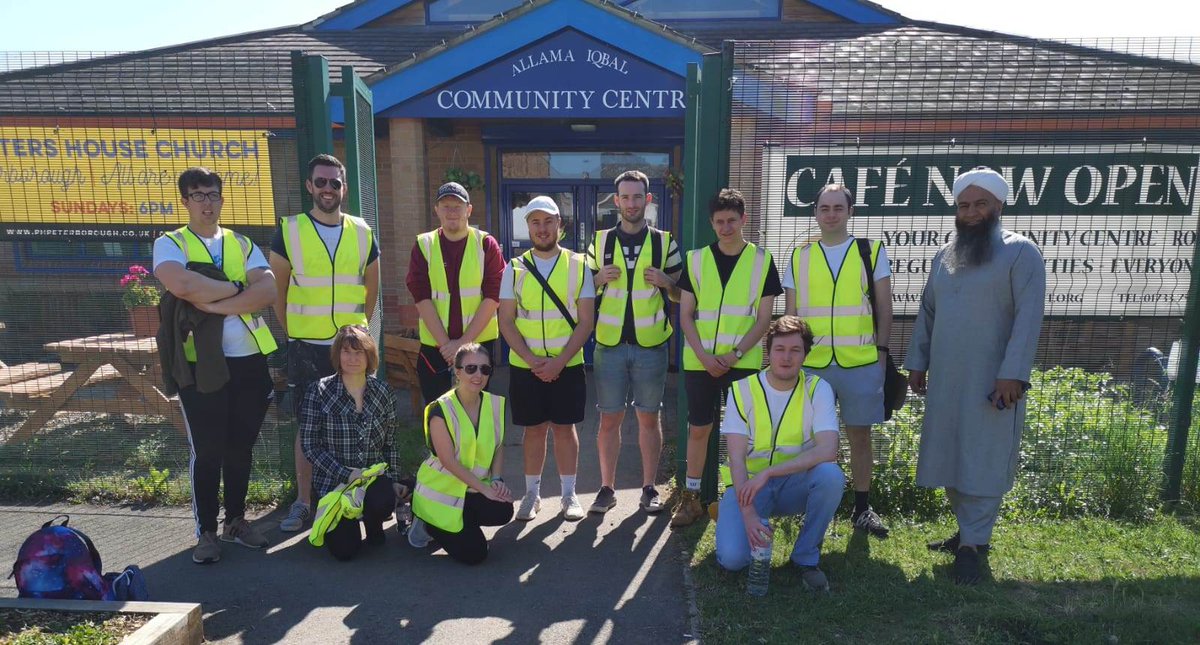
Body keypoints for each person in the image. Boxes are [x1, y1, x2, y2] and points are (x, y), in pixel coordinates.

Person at [906, 166, 1046, 584]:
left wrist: (1013, 375)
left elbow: (1028, 320)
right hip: (947, 378)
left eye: (980, 203)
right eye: (964, 204)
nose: (970, 212)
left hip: (994, 381)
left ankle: (972, 547)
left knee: (983, 456)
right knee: (950, 453)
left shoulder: (1022, 252)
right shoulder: (944, 256)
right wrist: (918, 361)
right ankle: (970, 532)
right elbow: (928, 312)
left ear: (999, 206)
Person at [153, 167, 278, 565]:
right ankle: (206, 531)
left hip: (249, 361)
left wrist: (215, 303)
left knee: (240, 446)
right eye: (199, 195)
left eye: (213, 194)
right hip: (199, 365)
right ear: (185, 201)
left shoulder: (242, 243)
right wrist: (239, 288)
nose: (207, 202)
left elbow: (269, 290)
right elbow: (182, 285)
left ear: (222, 199)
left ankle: (236, 521)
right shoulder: (170, 243)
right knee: (207, 450)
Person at [270, 154, 381, 533]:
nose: (328, 189)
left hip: (349, 345)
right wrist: (292, 332)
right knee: (308, 426)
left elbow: (372, 289)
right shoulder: (290, 230)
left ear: (344, 188)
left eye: (335, 183)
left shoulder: (363, 231)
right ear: (309, 186)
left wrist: (358, 331)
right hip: (306, 345)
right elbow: (278, 292)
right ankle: (304, 502)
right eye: (321, 182)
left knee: (356, 417)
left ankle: (352, 490)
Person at [783, 183, 893, 538]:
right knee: (813, 440)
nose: (830, 214)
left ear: (850, 212)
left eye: (837, 208)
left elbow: (885, 307)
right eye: (824, 208)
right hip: (813, 365)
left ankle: (862, 509)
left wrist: (881, 354)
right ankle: (817, 508)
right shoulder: (799, 255)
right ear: (814, 212)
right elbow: (790, 315)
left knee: (859, 436)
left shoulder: (870, 251)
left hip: (860, 361)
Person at [671, 188, 781, 528]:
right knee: (698, 429)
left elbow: (765, 319)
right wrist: (705, 356)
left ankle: (737, 499)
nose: (726, 227)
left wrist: (733, 355)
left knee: (742, 435)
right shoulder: (695, 259)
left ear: (744, 219)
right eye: (719, 221)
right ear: (712, 223)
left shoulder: (762, 261)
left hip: (742, 363)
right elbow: (686, 314)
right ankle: (691, 500)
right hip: (700, 362)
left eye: (732, 220)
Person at [714, 316, 843, 592]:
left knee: (831, 476)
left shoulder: (817, 389)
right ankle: (751, 525)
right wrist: (747, 513)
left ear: (805, 354)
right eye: (780, 349)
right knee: (733, 559)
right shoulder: (742, 389)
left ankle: (805, 557)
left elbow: (829, 449)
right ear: (768, 351)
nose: (786, 357)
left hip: (793, 484)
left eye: (795, 350)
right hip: (748, 488)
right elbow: (735, 458)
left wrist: (770, 472)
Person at [586, 170, 682, 517]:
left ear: (648, 199)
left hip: (651, 346)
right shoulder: (600, 242)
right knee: (608, 419)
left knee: (648, 417)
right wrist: (596, 279)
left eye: (637, 197)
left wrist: (667, 281)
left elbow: (681, 294)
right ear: (616, 202)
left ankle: (648, 488)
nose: (631, 203)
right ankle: (607, 488)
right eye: (625, 197)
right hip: (609, 346)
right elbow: (584, 291)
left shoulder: (664, 242)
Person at [498, 196, 596, 522]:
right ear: (528, 227)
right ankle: (532, 494)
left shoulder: (578, 265)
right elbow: (507, 321)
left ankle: (568, 496)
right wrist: (531, 359)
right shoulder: (513, 268)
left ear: (560, 225)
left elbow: (585, 321)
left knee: (565, 429)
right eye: (535, 222)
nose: (542, 228)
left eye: (548, 221)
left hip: (566, 364)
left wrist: (558, 362)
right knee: (534, 430)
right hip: (527, 367)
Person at [300, 325, 404, 561]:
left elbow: (391, 441)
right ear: (338, 355)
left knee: (383, 498)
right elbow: (309, 445)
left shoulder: (383, 391)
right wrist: (344, 473)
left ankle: (373, 522)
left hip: (370, 479)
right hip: (334, 484)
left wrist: (395, 479)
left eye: (359, 353)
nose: (353, 358)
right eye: (347, 352)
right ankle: (334, 521)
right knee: (345, 552)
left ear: (370, 357)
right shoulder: (318, 391)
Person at [408, 344, 515, 564]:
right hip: (441, 493)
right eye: (471, 368)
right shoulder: (441, 409)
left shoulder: (493, 404)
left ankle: (462, 524)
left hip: (469, 489)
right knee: (475, 555)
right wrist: (485, 489)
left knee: (503, 509)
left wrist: (496, 480)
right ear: (457, 372)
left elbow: (498, 445)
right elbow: (447, 461)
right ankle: (427, 521)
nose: (478, 375)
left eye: (485, 369)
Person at [406, 181, 505, 406]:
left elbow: (494, 296)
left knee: (474, 412)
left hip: (477, 347)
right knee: (438, 415)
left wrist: (462, 343)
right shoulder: (424, 244)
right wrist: (447, 346)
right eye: (446, 206)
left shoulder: (486, 244)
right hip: (436, 350)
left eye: (457, 206)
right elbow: (420, 296)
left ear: (468, 210)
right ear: (437, 210)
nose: (452, 212)